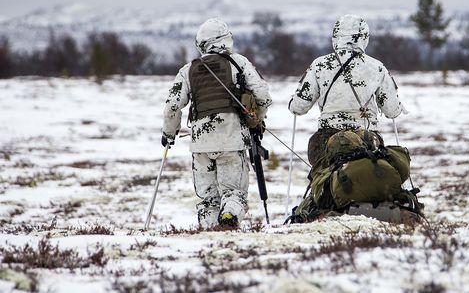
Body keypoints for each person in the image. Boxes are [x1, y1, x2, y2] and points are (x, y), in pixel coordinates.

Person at [162, 18, 272, 229]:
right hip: (232, 141)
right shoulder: (239, 63)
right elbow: (263, 96)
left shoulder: (188, 70)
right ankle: (229, 218)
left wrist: (169, 133)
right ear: (226, 40)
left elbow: (172, 107)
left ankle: (210, 234)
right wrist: (256, 119)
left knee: (208, 200)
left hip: (200, 145)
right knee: (234, 194)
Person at [289, 14, 406, 170]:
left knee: (323, 180)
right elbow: (392, 111)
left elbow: (299, 107)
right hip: (366, 138)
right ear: (364, 37)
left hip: (326, 140)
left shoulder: (319, 65)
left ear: (336, 37)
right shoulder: (376, 67)